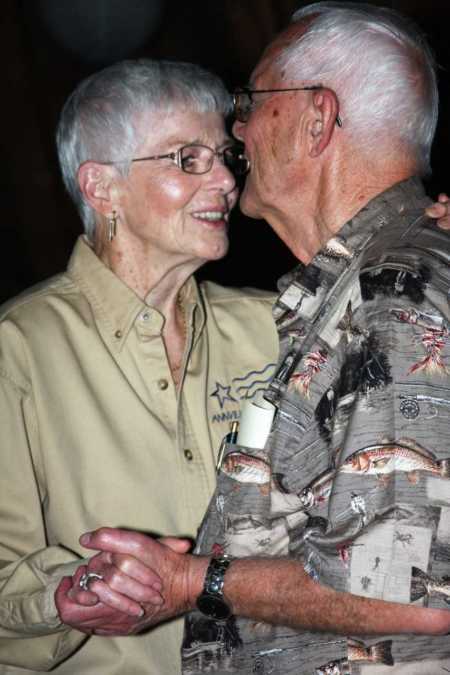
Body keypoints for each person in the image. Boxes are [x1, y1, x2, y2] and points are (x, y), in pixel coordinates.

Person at [75, 3, 450, 674]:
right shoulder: (366, 286)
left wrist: (194, 581)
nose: (237, 129)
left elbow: (408, 592)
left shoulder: (393, 295)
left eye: (252, 101)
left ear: (316, 118)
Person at [0, 59, 280, 674]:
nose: (226, 183)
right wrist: (66, 595)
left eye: (224, 157)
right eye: (187, 159)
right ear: (102, 188)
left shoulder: (276, 327)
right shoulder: (19, 347)